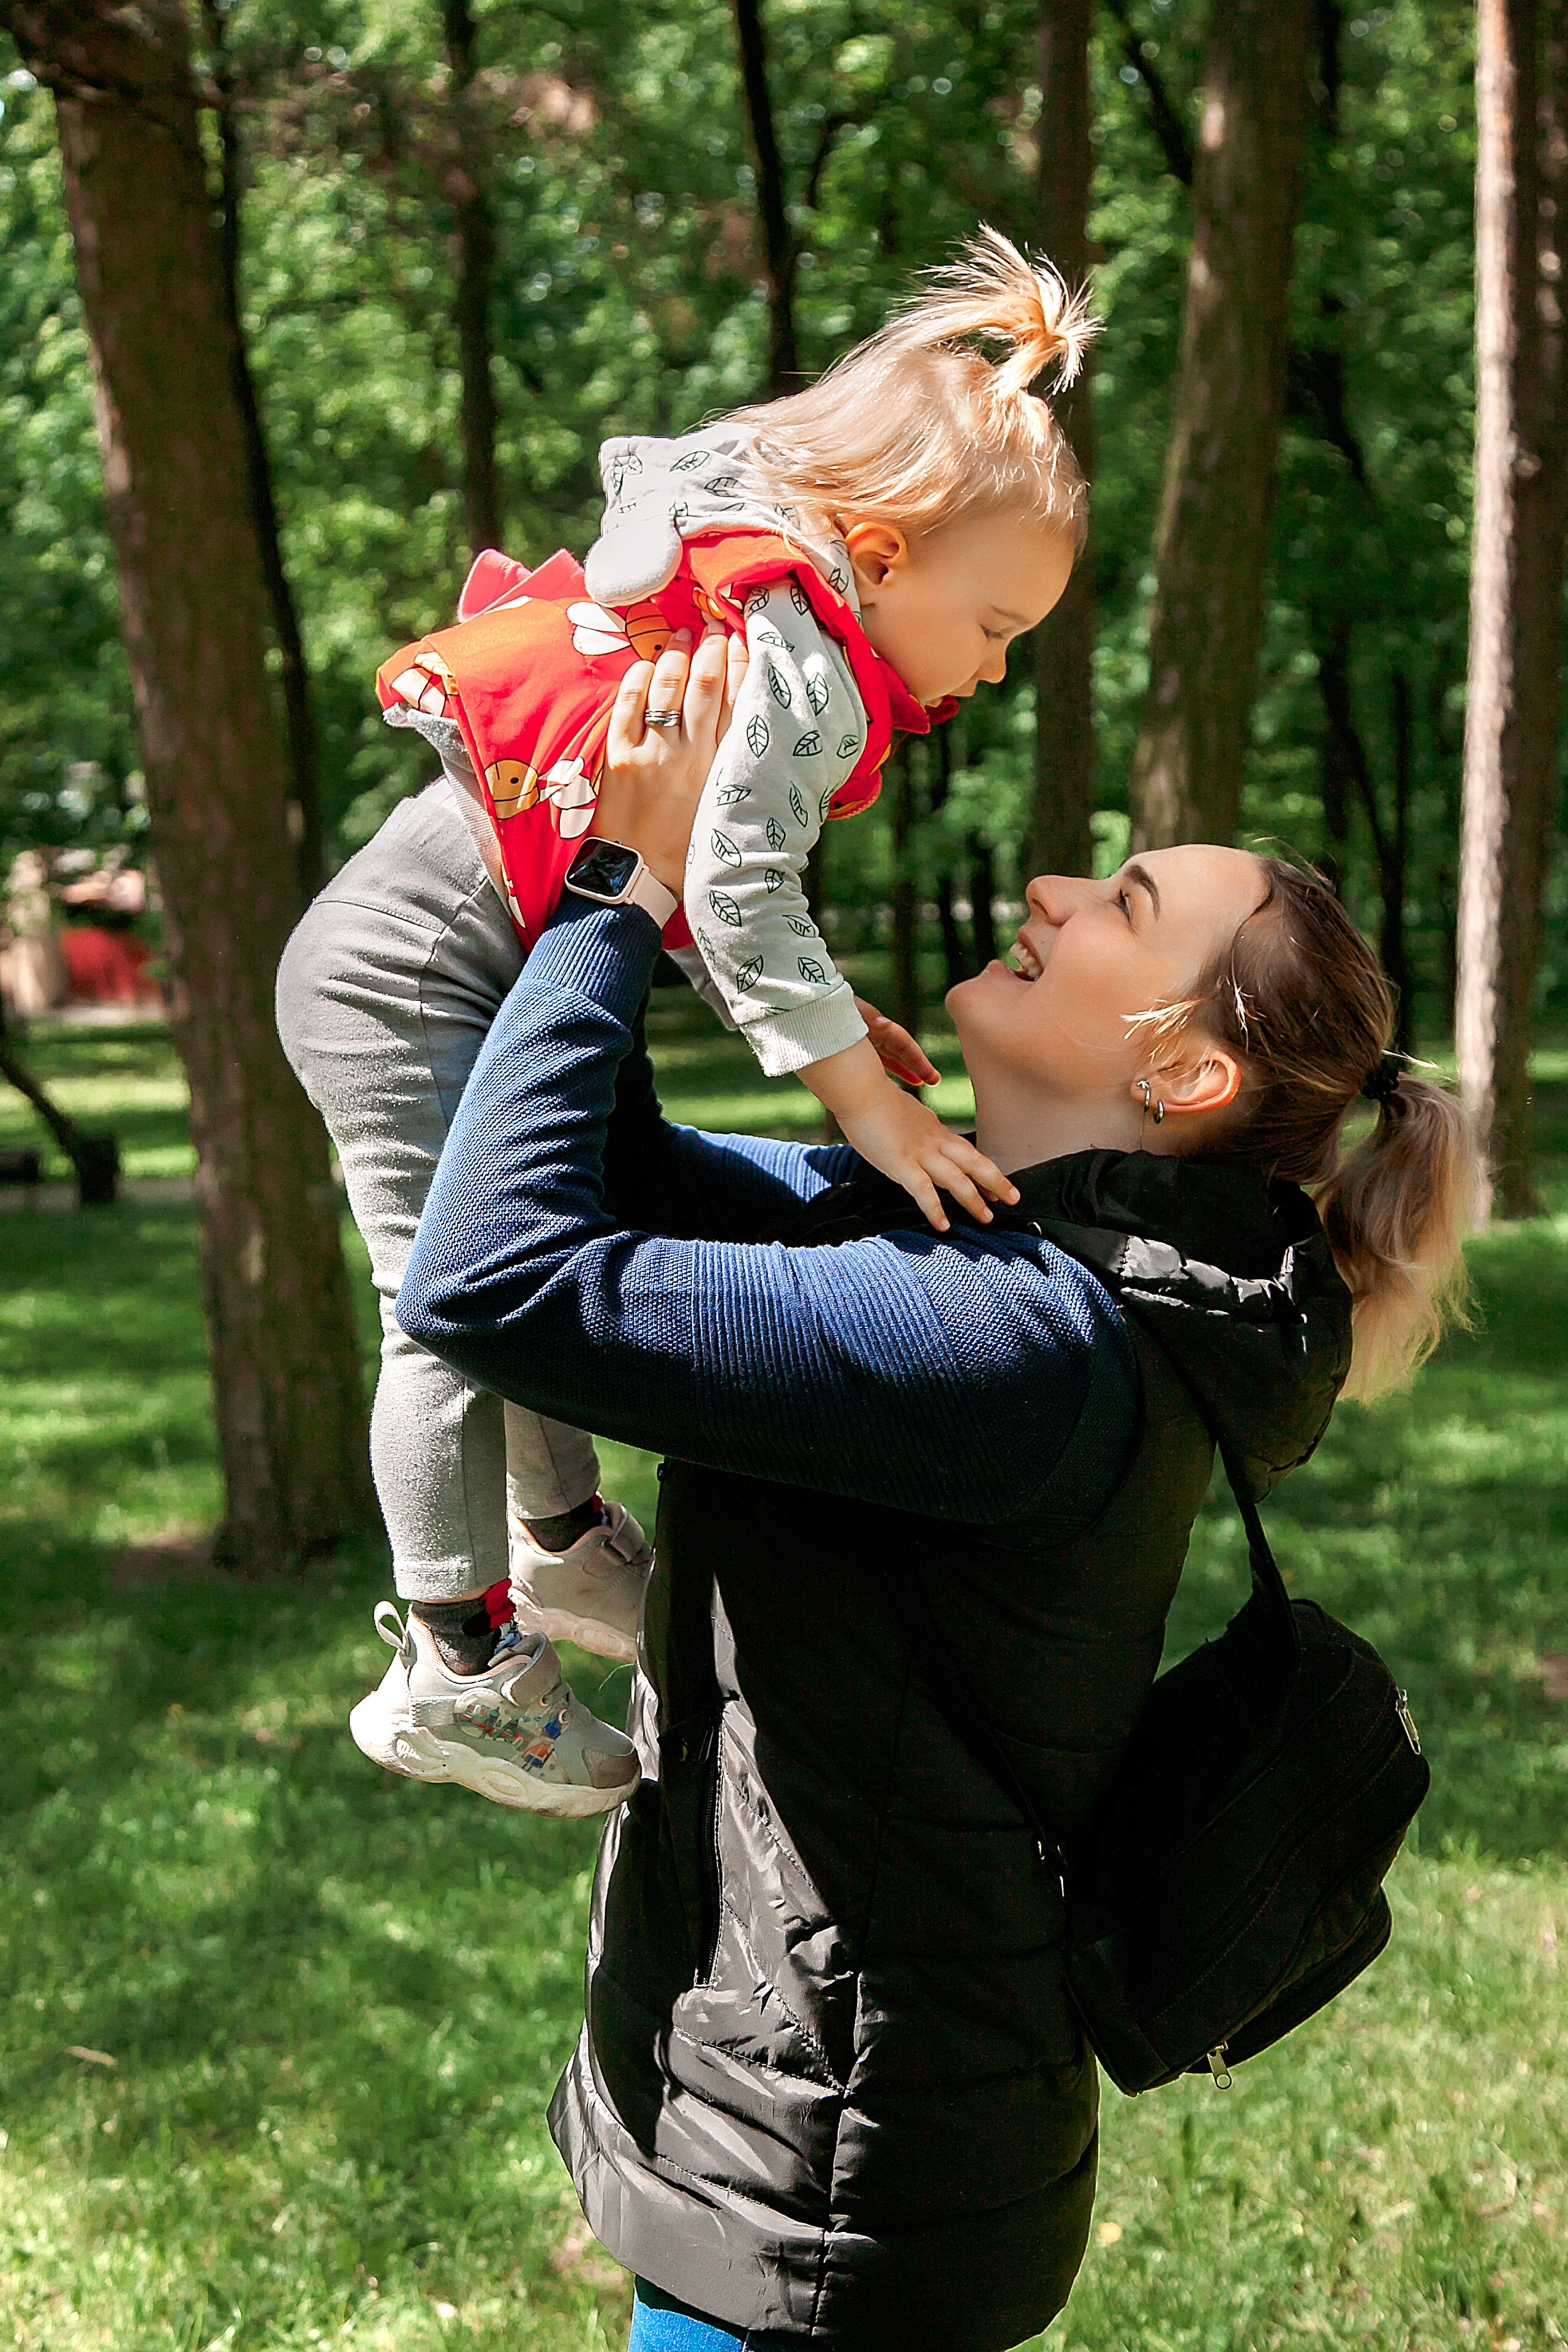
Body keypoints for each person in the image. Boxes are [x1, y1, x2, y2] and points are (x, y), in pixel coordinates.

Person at [390, 641, 1477, 2350]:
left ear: (1186, 1076)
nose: (1051, 885)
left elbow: (497, 1279)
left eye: (1119, 900)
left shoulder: (1025, 1345)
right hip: (803, 2117)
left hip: (832, 2189)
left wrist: (620, 892)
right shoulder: (978, 1236)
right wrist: (619, 857)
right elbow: (594, 1170)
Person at [279, 227, 1094, 1815]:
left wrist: (828, 1013)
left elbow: (684, 882)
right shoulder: (809, 672)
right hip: (403, 973)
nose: (992, 677)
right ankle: (456, 1666)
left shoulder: (774, 585)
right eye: (997, 630)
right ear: (886, 550)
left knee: (545, 1226)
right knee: (444, 1298)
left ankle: (564, 1544)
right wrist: (860, 1096)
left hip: (437, 954)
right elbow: (732, 884)